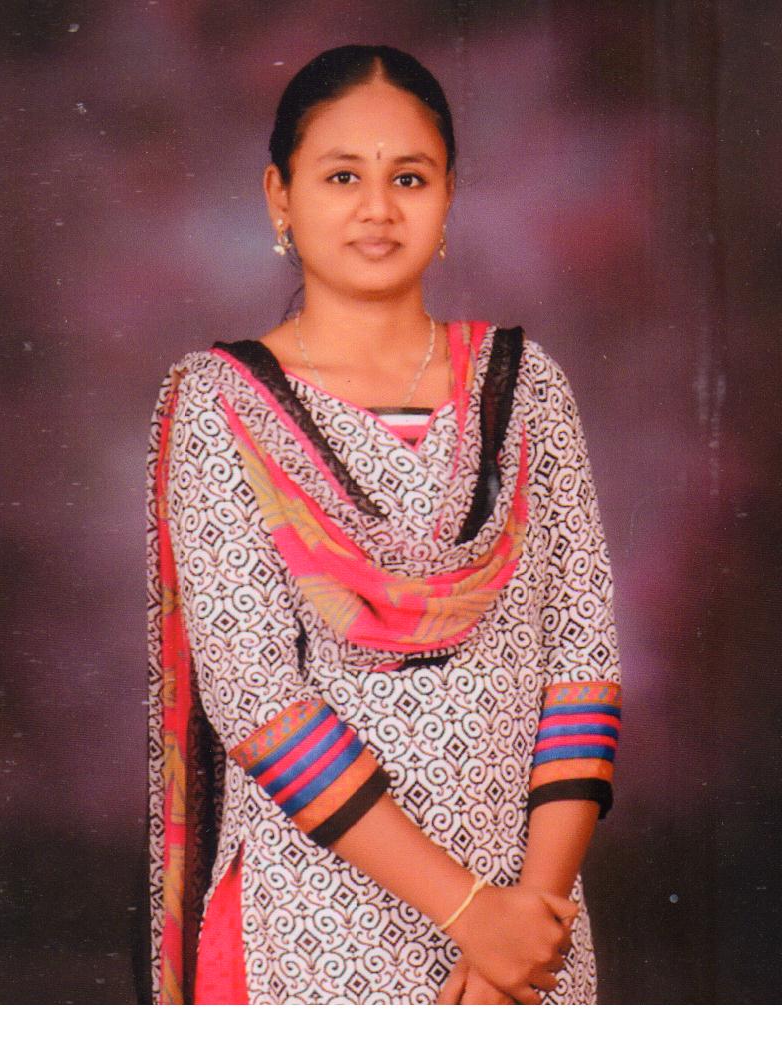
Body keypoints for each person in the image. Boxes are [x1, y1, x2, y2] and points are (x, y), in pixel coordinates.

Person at [145, 44, 621, 1005]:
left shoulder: (527, 388)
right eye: (341, 177)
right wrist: (471, 914)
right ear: (279, 197)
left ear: (448, 198)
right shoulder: (223, 407)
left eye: (409, 177)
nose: (377, 208)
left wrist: (521, 925)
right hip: (311, 927)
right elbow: (258, 702)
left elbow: (585, 656)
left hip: (532, 928)